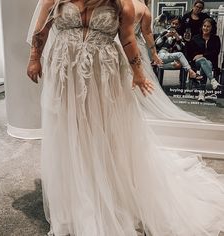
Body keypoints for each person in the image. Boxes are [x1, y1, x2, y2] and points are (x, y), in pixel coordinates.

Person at [27, 0, 224, 235]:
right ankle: (76, 195)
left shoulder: (123, 5)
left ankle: (108, 192)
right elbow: (42, 30)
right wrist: (34, 58)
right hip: (65, 69)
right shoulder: (55, 0)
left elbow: (128, 38)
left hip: (104, 72)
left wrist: (139, 74)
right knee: (71, 129)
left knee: (105, 129)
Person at [155, 15, 203, 80]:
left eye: (176, 24)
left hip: (171, 57)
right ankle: (191, 72)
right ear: (170, 23)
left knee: (179, 63)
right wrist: (166, 36)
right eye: (173, 23)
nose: (174, 25)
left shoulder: (179, 36)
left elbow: (180, 49)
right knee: (180, 56)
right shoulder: (165, 32)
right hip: (162, 54)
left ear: (179, 25)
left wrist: (178, 39)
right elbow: (157, 43)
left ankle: (157, 64)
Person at [188, 18, 221, 101]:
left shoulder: (216, 38)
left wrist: (202, 55)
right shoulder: (196, 38)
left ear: (212, 28)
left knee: (206, 63)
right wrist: (199, 56)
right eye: (204, 26)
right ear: (202, 26)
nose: (205, 28)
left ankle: (201, 93)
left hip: (210, 62)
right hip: (196, 62)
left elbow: (215, 52)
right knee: (203, 60)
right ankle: (213, 80)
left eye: (208, 26)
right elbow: (191, 53)